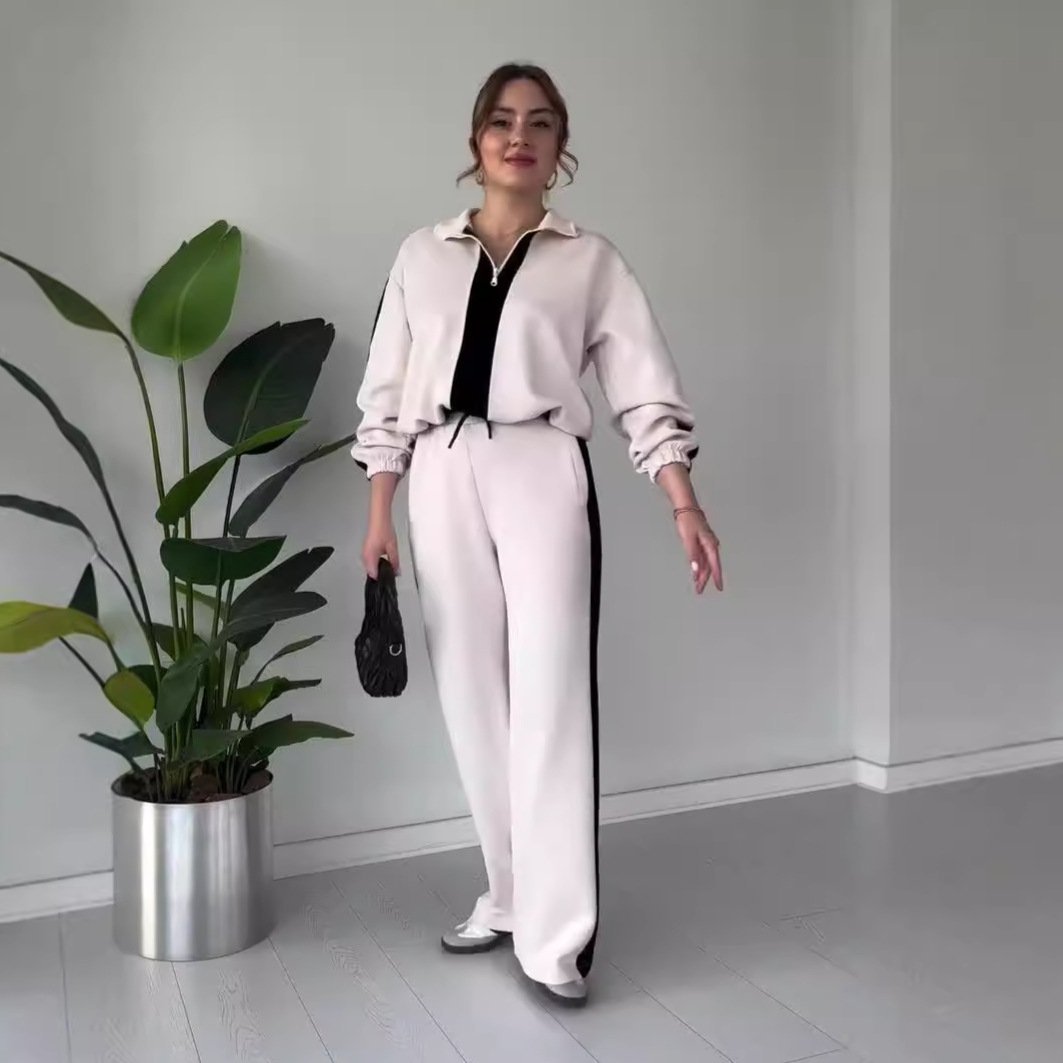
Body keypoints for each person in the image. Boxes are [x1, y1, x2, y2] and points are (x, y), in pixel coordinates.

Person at [351, 62, 723, 1008]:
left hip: (540, 465)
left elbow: (642, 386)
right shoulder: (420, 255)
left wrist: (682, 500)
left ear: (560, 150)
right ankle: (509, 893)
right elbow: (386, 392)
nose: (519, 136)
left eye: (541, 123)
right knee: (472, 696)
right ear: (475, 140)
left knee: (551, 694)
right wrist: (380, 511)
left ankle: (557, 941)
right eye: (502, 121)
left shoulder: (590, 262)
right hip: (439, 467)